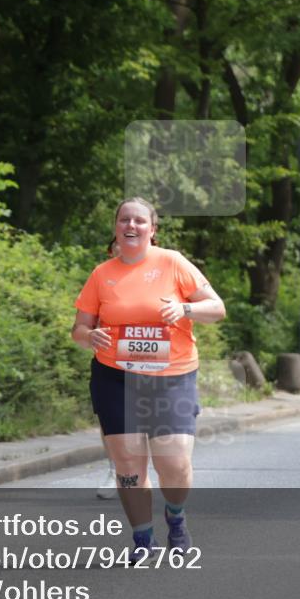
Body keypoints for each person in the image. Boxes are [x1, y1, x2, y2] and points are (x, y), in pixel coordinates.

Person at [72, 197, 225, 560]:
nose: (131, 226)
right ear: (116, 227)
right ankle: (142, 540)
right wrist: (89, 337)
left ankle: (175, 515)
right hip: (115, 376)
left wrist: (185, 308)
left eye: (139, 221)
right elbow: (79, 328)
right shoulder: (102, 273)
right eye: (124, 219)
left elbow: (217, 308)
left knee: (173, 460)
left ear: (152, 230)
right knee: (128, 462)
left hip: (171, 376)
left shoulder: (172, 262)